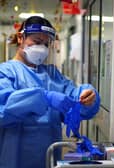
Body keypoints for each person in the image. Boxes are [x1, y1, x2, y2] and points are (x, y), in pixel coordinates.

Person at [0, 16, 100, 168]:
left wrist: (88, 96)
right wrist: (43, 97)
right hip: (15, 159)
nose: (42, 48)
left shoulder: (52, 75)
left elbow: (73, 96)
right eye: (37, 42)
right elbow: (4, 108)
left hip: (49, 158)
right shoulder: (6, 72)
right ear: (21, 38)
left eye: (46, 44)